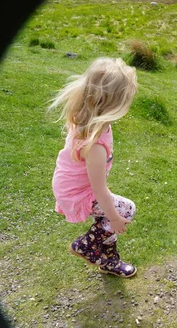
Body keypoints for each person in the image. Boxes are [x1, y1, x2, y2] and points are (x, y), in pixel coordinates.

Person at [49, 57, 139, 278]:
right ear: (113, 103)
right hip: (77, 192)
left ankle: (110, 260)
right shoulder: (95, 144)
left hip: (72, 185)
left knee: (108, 218)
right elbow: (99, 190)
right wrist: (116, 219)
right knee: (124, 209)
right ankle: (85, 245)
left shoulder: (89, 119)